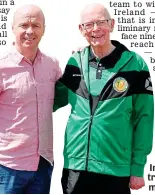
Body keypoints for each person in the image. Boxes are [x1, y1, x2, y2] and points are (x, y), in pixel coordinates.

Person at [54, 3, 154, 194]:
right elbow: (49, 101)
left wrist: (138, 167)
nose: (96, 29)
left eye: (101, 22)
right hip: (76, 166)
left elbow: (144, 119)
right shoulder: (75, 62)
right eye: (89, 24)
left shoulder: (136, 64)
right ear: (81, 30)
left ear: (112, 24)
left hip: (116, 169)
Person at [0, 4, 61, 194]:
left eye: (36, 25)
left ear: (44, 29)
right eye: (23, 25)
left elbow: (67, 92)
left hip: (42, 167)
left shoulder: (52, 65)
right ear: (13, 28)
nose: (29, 31)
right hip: (5, 168)